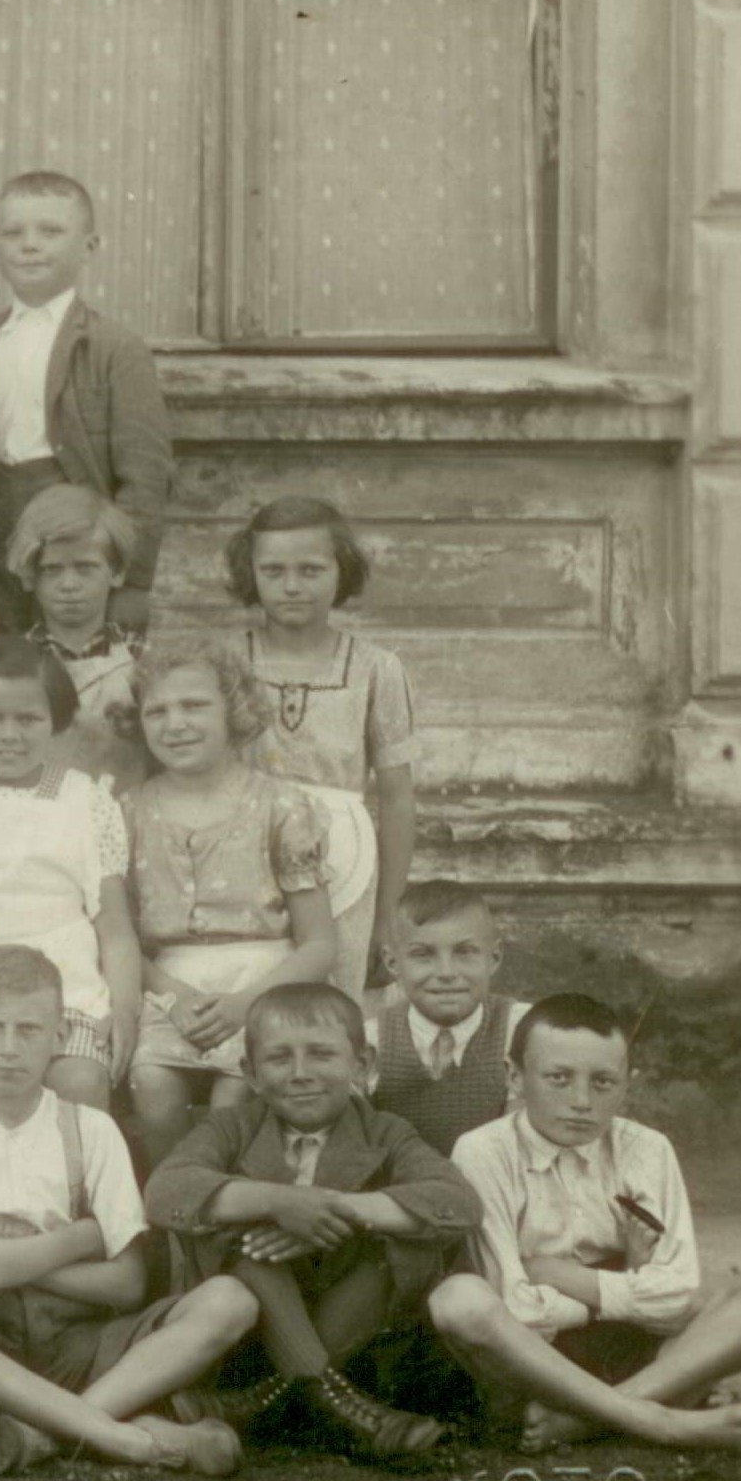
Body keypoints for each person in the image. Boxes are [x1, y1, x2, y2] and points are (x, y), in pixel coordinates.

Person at [0, 946, 252, 1476]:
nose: (9, 1048)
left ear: (60, 1037)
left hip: (83, 1346)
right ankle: (129, 1439)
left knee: (230, 1300)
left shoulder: (92, 1129)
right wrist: (79, 1239)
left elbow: (126, 1284)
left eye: (29, 1030)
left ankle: (47, 1431)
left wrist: (4, 1242)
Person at [428, 995, 741, 1453]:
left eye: (603, 1082)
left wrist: (560, 1276)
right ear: (515, 1076)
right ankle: (661, 1422)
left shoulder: (648, 1148)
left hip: (640, 1354)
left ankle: (586, 1420)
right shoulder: (482, 1151)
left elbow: (676, 1298)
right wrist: (623, 1282)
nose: (581, 1102)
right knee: (459, 1299)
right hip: (534, 1365)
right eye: (559, 1078)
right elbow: (518, 1311)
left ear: (627, 1084)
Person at [144, 982, 475, 1460]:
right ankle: (336, 1401)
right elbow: (165, 1191)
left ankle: (268, 1399)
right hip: (252, 1333)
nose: (301, 1073)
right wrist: (277, 1202)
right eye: (279, 1058)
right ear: (251, 1073)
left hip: (354, 1321)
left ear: (362, 1064)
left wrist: (334, 1211)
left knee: (405, 1236)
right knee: (241, 1239)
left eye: (322, 1054)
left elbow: (457, 1202)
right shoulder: (232, 1127)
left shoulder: (386, 1133)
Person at [119, 637, 337, 1164]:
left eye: (194, 705)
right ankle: (178, 1201)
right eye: (157, 711)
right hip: (168, 987)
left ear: (234, 711)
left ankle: (234, 1199)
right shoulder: (127, 812)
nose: (175, 724)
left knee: (236, 1092)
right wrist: (170, 995)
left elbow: (319, 944)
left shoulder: (280, 806)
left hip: (267, 983)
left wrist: (246, 1004)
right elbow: (120, 938)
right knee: (152, 1085)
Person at [0, 639, 140, 1111]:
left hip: (68, 992)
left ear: (56, 720)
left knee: (79, 1082)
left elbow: (114, 926)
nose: (8, 734)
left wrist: (124, 1010)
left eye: (28, 719)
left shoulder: (87, 800)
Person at [0, 173, 171, 633]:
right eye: (13, 233)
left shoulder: (114, 347)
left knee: (76, 648)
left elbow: (145, 475)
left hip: (72, 524)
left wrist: (134, 582)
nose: (29, 245)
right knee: (1, 647)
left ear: (88, 246)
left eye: (50, 231)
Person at [232, 495, 416, 994]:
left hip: (342, 856)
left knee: (333, 1000)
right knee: (255, 992)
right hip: (243, 849)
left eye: (311, 570)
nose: (292, 586)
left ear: (342, 571)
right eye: (273, 571)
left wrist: (388, 916)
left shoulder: (376, 668)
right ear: (251, 573)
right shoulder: (226, 662)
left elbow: (397, 797)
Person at [367, 880, 526, 1155]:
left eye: (464, 952)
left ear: (494, 957)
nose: (446, 972)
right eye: (423, 954)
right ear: (393, 962)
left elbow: (520, 1143)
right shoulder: (372, 1041)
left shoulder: (520, 1030)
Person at [6, 485, 145, 790]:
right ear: (30, 576)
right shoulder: (12, 660)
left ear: (117, 572)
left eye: (85, 568)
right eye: (52, 570)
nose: (69, 584)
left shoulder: (143, 658)